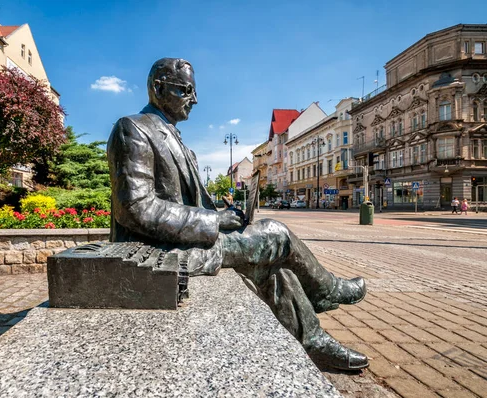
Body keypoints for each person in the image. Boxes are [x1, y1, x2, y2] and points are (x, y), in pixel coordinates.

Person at [107, 58, 368, 370]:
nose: (194, 99)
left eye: (194, 91)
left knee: (272, 262)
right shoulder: (133, 128)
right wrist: (214, 221)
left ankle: (313, 340)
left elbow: (185, 204)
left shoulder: (175, 138)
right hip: (157, 250)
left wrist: (223, 214)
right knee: (275, 234)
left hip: (183, 239)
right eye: (186, 90)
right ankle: (328, 290)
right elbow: (136, 209)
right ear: (158, 87)